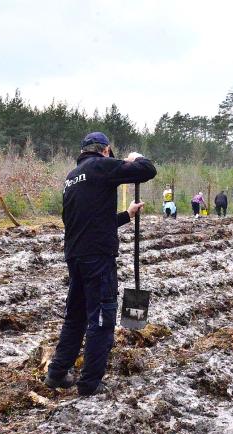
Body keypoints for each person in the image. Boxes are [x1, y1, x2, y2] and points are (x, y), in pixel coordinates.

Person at [45, 132, 156, 397]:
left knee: (77, 316)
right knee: (103, 318)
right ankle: (90, 382)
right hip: (98, 258)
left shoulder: (72, 178)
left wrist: (127, 216)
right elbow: (147, 170)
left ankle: (57, 373)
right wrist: (134, 159)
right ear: (105, 150)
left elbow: (88, 221)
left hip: (76, 256)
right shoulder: (101, 165)